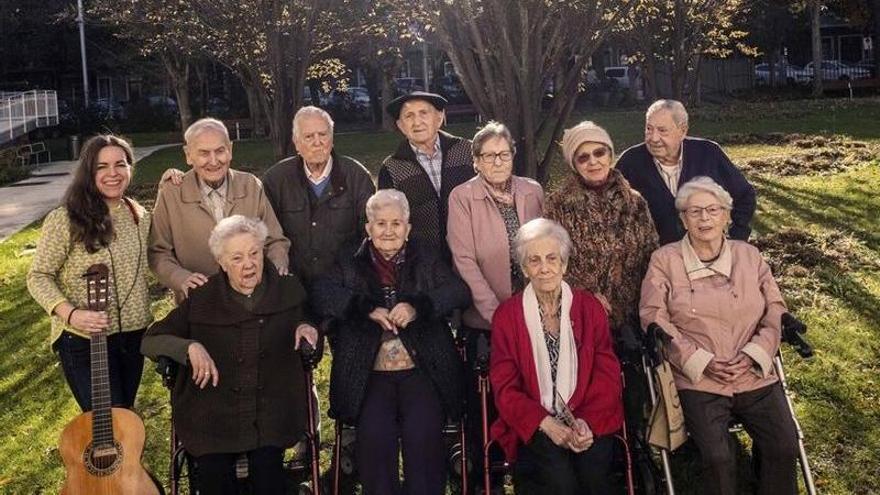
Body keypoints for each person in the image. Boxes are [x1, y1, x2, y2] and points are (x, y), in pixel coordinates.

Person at [639, 177, 797, 495]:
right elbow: (653, 317)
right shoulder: (664, 261)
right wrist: (700, 361)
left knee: (784, 445)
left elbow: (776, 309)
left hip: (754, 373)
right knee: (717, 457)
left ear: (727, 215)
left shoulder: (749, 256)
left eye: (713, 210)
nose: (705, 218)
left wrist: (756, 353)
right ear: (682, 219)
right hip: (699, 379)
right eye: (694, 211)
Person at [142, 215, 318, 494]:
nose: (248, 264)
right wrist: (188, 347)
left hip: (270, 413)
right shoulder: (202, 298)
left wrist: (308, 327)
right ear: (222, 264)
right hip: (213, 415)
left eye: (253, 253)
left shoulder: (288, 290)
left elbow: (310, 326)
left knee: (268, 476)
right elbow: (150, 340)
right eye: (236, 258)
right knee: (214, 479)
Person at [311, 189, 471, 495]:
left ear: (408, 228)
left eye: (396, 223)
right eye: (380, 223)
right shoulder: (349, 259)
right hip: (369, 374)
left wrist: (418, 307)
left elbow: (457, 291)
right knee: (375, 436)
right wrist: (364, 308)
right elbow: (321, 293)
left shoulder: (425, 256)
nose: (388, 231)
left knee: (422, 434)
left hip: (422, 369)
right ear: (368, 228)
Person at [490, 218, 624, 495]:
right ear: (525, 269)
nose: (544, 268)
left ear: (564, 265)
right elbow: (505, 387)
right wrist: (546, 423)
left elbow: (606, 372)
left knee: (593, 478)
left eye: (552, 258)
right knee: (560, 483)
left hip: (589, 417)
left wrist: (585, 421)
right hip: (535, 422)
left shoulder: (589, 308)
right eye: (534, 260)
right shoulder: (507, 316)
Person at [446, 120, 543, 489]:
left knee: (532, 393)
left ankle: (531, 465)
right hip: (487, 321)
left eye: (504, 154)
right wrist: (499, 315)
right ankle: (490, 469)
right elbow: (464, 260)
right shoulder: (462, 197)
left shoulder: (532, 191)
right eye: (489, 156)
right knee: (490, 400)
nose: (498, 161)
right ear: (476, 161)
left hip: (534, 314)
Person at [27, 135, 152, 411]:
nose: (112, 173)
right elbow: (38, 276)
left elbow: (158, 261)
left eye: (120, 164)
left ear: (130, 168)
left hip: (132, 337)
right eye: (101, 166)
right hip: (82, 339)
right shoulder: (65, 218)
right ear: (88, 172)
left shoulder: (139, 215)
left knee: (125, 421)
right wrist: (70, 313)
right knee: (109, 425)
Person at [149, 117, 290, 302]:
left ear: (230, 150)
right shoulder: (172, 193)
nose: (214, 161)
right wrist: (181, 279)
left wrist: (276, 269)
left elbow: (275, 240)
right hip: (198, 301)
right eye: (204, 153)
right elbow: (159, 252)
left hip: (253, 298)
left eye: (220, 151)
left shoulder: (250, 185)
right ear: (188, 155)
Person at [544, 120, 658, 333]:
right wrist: (584, 294)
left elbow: (651, 258)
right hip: (580, 317)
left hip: (633, 318)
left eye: (599, 153)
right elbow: (550, 261)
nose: (593, 162)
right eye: (583, 157)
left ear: (610, 155)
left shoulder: (635, 203)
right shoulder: (557, 205)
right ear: (574, 164)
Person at [616, 99, 756, 245]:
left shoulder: (708, 153)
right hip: (654, 261)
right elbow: (609, 209)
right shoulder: (630, 162)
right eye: (649, 129)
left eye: (662, 130)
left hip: (706, 258)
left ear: (682, 130)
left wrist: (737, 238)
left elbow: (745, 195)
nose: (653, 138)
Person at [262, 106, 375, 286]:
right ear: (296, 143)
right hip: (292, 285)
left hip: (344, 285)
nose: (317, 142)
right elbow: (266, 236)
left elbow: (370, 235)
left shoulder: (356, 176)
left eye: (323, 134)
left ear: (332, 138)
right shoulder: (276, 179)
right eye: (309, 137)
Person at [378, 91, 474, 259]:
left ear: (439, 118)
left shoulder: (467, 151)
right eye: (409, 116)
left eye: (424, 113)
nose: (417, 122)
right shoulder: (392, 167)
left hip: (474, 251)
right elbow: (388, 219)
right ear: (400, 126)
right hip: (423, 261)